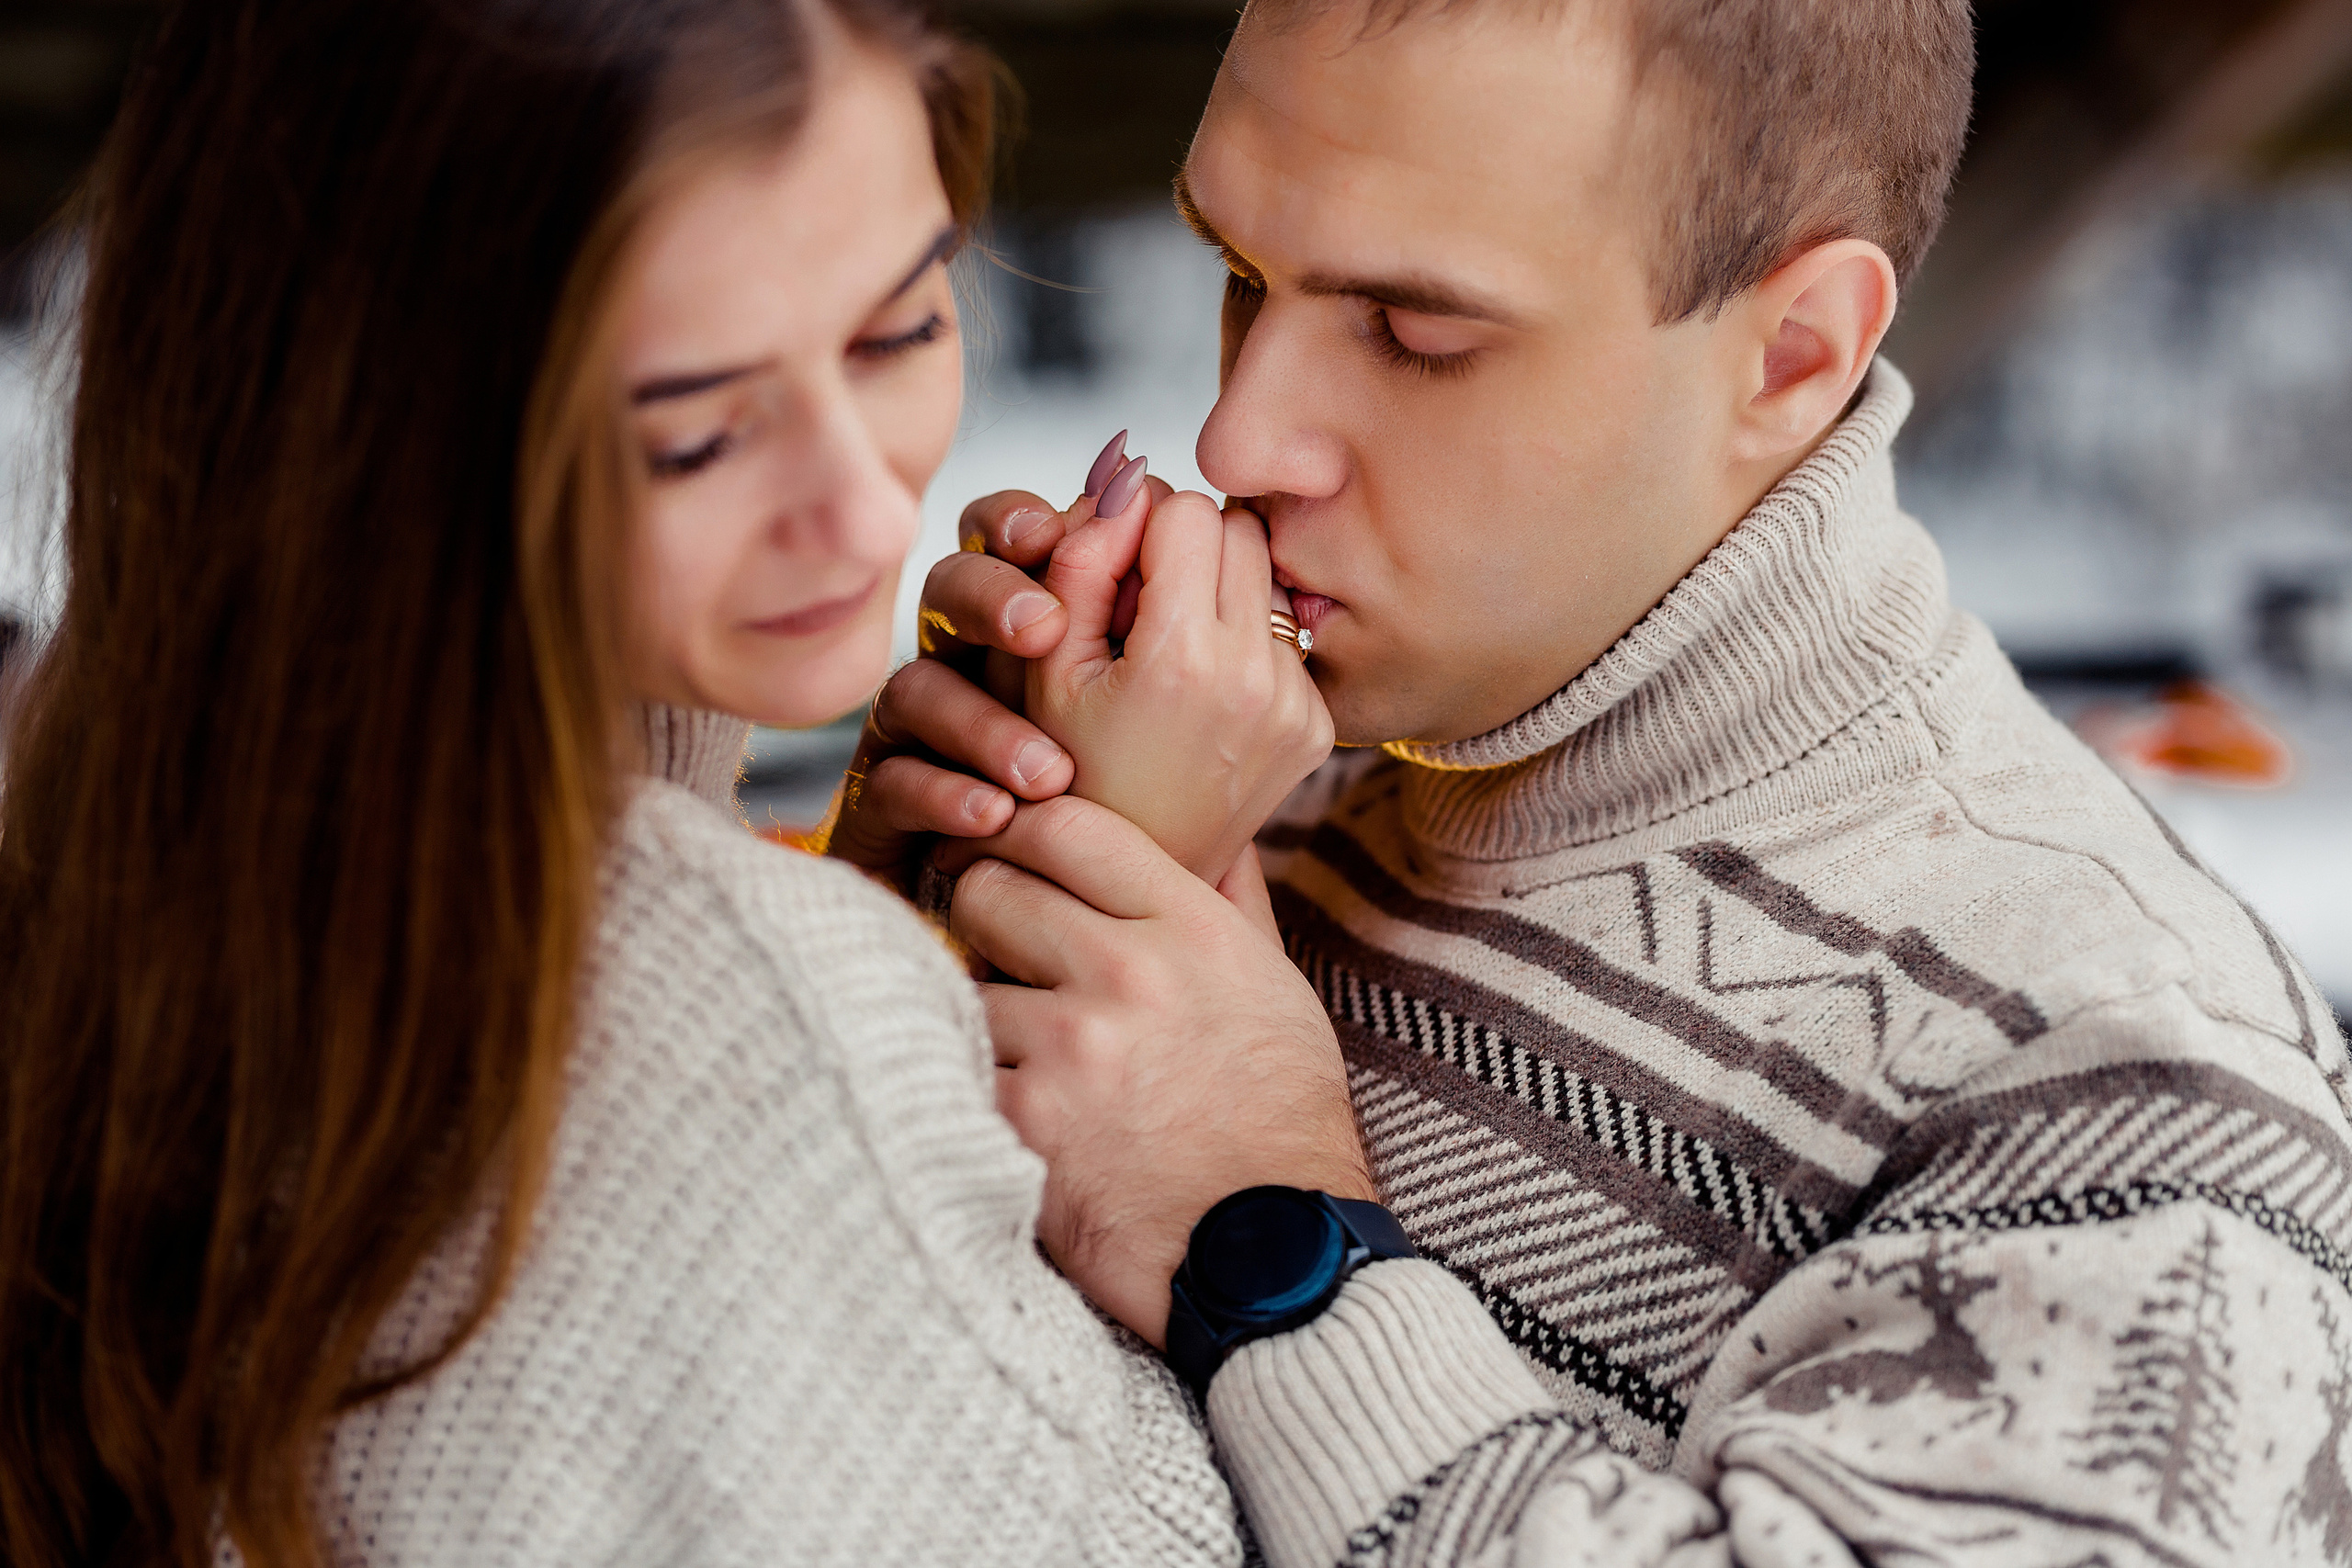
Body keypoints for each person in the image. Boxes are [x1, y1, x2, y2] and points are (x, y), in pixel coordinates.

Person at [839, 0, 2352, 1562]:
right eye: (1240, 278)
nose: (1241, 432)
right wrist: (901, 963)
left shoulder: (2129, 1080)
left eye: (1417, 332)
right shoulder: (1231, 774)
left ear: (1793, 355)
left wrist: (1273, 1243)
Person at [0, 0, 1374, 1562]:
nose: (862, 513)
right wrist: (1103, 875)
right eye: (698, 436)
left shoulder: (104, 810)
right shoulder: (740, 1008)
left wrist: (874, 921)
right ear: (381, 421)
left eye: (898, 329)